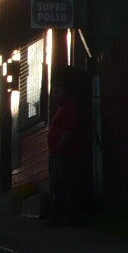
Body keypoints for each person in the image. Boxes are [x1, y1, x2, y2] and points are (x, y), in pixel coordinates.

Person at [45, 80, 89, 225]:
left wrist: (59, 148)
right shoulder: (61, 109)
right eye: (54, 93)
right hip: (59, 154)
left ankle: (70, 216)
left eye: (58, 92)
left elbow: (68, 132)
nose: (55, 96)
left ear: (66, 92)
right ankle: (57, 215)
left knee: (66, 184)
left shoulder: (70, 109)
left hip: (66, 153)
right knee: (57, 185)